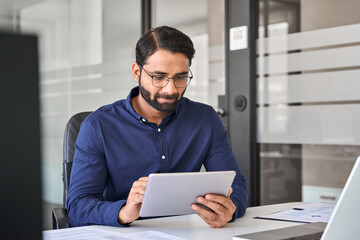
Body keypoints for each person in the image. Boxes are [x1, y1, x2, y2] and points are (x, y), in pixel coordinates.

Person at [67, 26, 248, 228]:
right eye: (159, 77)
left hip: (187, 231)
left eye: (180, 77)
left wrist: (229, 209)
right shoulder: (98, 125)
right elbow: (77, 206)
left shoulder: (205, 119)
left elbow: (237, 186)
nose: (170, 89)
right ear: (137, 72)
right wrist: (124, 211)